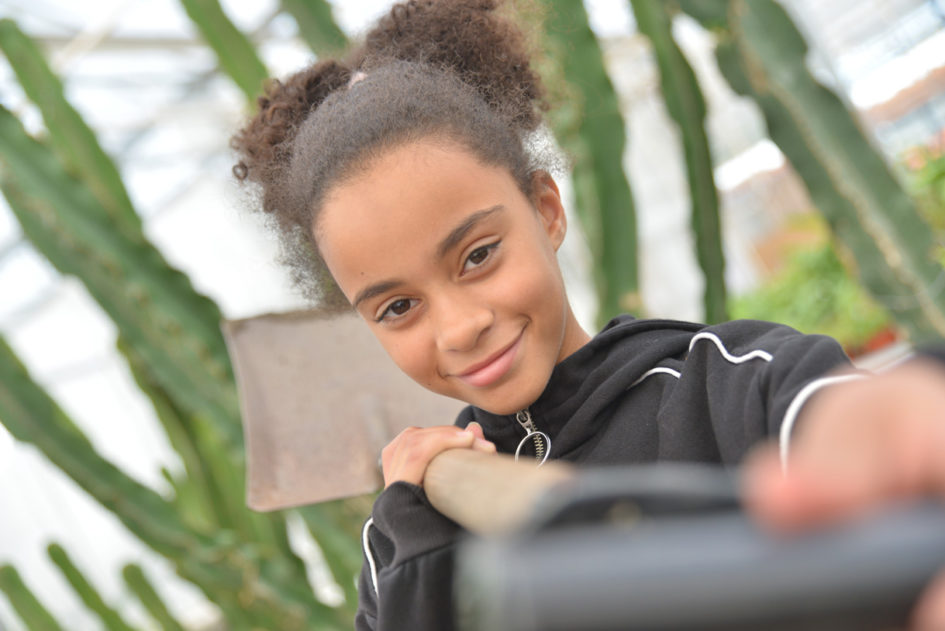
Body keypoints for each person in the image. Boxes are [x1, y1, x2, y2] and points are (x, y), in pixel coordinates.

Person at [230, 1, 945, 629]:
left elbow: (865, 439)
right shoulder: (403, 534)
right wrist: (419, 530)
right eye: (396, 306)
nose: (458, 326)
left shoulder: (732, 384)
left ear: (545, 209)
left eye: (477, 255)